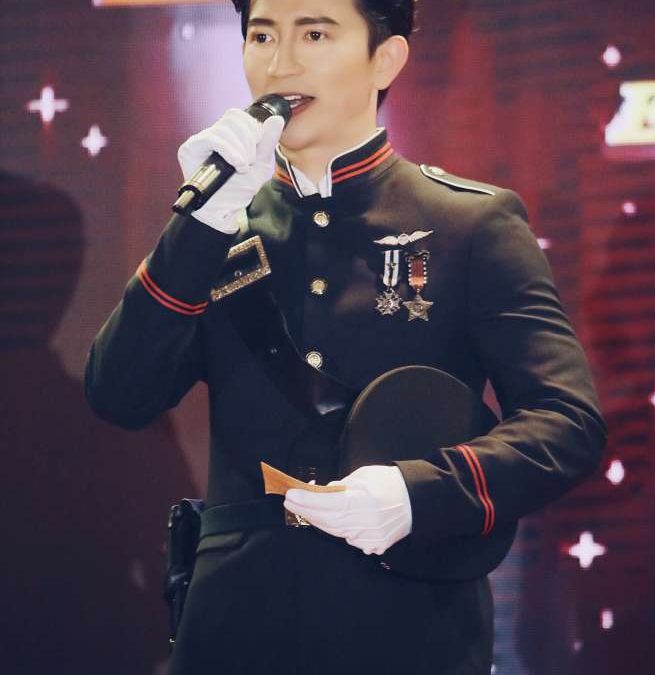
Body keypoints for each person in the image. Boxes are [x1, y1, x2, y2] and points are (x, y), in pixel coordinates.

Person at [85, 0, 607, 673]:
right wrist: (198, 227)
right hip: (233, 631)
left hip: (411, 631)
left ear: (384, 58)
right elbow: (119, 394)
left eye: (314, 33)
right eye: (262, 35)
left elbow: (567, 422)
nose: (280, 62)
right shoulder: (215, 228)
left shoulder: (468, 224)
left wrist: (417, 494)